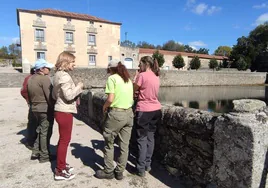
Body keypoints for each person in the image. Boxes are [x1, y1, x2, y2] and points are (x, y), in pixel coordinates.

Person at [95, 59, 134, 180]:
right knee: (124, 145)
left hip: (117, 114)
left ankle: (108, 171)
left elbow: (110, 98)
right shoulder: (128, 79)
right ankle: (119, 171)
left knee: (109, 143)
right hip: (129, 114)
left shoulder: (112, 79)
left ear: (110, 69)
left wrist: (105, 106)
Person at [52, 51, 83, 181]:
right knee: (64, 141)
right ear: (66, 62)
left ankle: (62, 165)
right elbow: (69, 95)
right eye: (72, 62)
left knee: (62, 140)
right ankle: (59, 171)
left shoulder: (56, 75)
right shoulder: (64, 76)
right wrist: (79, 87)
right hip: (64, 111)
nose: (74, 65)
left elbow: (54, 95)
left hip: (60, 109)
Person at [133, 56, 162, 177]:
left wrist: (136, 76)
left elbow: (133, 89)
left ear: (146, 64)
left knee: (142, 139)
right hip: (156, 110)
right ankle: (147, 165)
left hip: (144, 110)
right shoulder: (156, 76)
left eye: (140, 64)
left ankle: (140, 168)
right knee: (151, 138)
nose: (139, 66)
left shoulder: (142, 75)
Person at [27, 59, 55, 163]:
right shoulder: (44, 79)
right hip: (44, 109)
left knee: (40, 130)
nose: (49, 69)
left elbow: (28, 95)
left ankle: (35, 151)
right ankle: (44, 156)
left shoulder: (31, 79)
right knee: (45, 132)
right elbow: (49, 96)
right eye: (48, 68)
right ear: (42, 69)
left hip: (34, 108)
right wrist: (53, 108)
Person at [20, 68, 37, 149]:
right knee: (33, 123)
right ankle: (30, 142)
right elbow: (23, 91)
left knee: (32, 122)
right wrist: (29, 100)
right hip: (33, 103)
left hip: (33, 103)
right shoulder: (31, 78)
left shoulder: (29, 78)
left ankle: (31, 140)